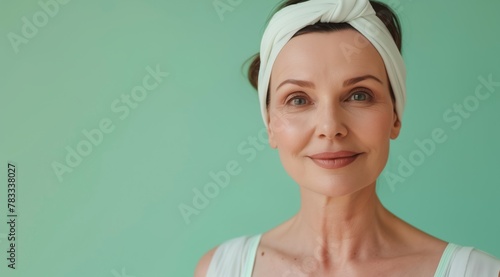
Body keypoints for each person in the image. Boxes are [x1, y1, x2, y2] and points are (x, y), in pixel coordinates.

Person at [195, 0, 500, 276]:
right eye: (299, 99)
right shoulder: (223, 269)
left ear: (395, 116)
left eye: (358, 95)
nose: (330, 126)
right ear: (271, 124)